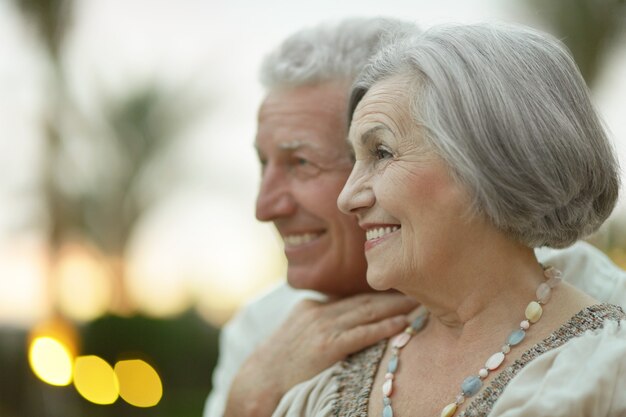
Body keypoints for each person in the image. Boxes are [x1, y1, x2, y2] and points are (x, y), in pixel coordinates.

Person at [204, 19, 626, 417]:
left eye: (301, 162)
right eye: (263, 163)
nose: (348, 197)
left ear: (488, 161)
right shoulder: (267, 337)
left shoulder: (603, 343)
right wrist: (249, 402)